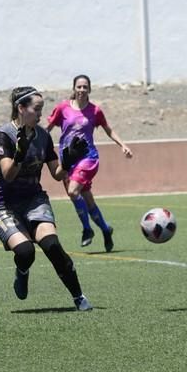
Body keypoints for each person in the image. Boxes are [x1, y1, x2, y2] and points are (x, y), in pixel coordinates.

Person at [0, 86, 93, 310]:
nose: (40, 114)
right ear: (21, 108)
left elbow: (57, 175)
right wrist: (19, 155)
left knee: (52, 245)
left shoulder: (43, 136)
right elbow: (7, 175)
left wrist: (70, 160)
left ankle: (79, 297)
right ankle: (22, 270)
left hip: (33, 199)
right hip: (3, 204)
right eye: (36, 109)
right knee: (26, 252)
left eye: (41, 109)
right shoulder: (3, 136)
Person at [46, 74, 133, 252]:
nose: (82, 90)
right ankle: (106, 229)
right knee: (88, 201)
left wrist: (122, 145)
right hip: (68, 159)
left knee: (72, 191)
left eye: (85, 87)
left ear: (89, 89)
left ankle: (87, 229)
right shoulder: (62, 108)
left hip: (88, 158)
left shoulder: (95, 111)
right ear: (74, 88)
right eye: (79, 87)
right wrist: (35, 143)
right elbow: (47, 129)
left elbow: (108, 129)